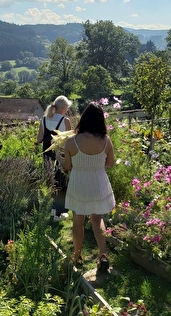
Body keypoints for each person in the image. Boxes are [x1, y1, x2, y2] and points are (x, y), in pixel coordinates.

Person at [57, 102, 115, 271]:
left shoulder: (71, 141)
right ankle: (103, 255)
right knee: (97, 220)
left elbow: (67, 167)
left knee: (78, 221)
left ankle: (77, 254)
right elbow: (110, 164)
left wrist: (60, 159)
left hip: (79, 184)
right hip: (98, 183)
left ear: (83, 119)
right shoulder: (106, 140)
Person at [36, 95, 72, 219]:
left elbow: (39, 139)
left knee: (51, 181)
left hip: (47, 155)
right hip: (60, 155)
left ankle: (52, 209)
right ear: (62, 108)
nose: (67, 110)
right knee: (61, 181)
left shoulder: (44, 119)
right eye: (66, 108)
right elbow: (70, 141)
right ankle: (59, 212)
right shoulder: (65, 121)